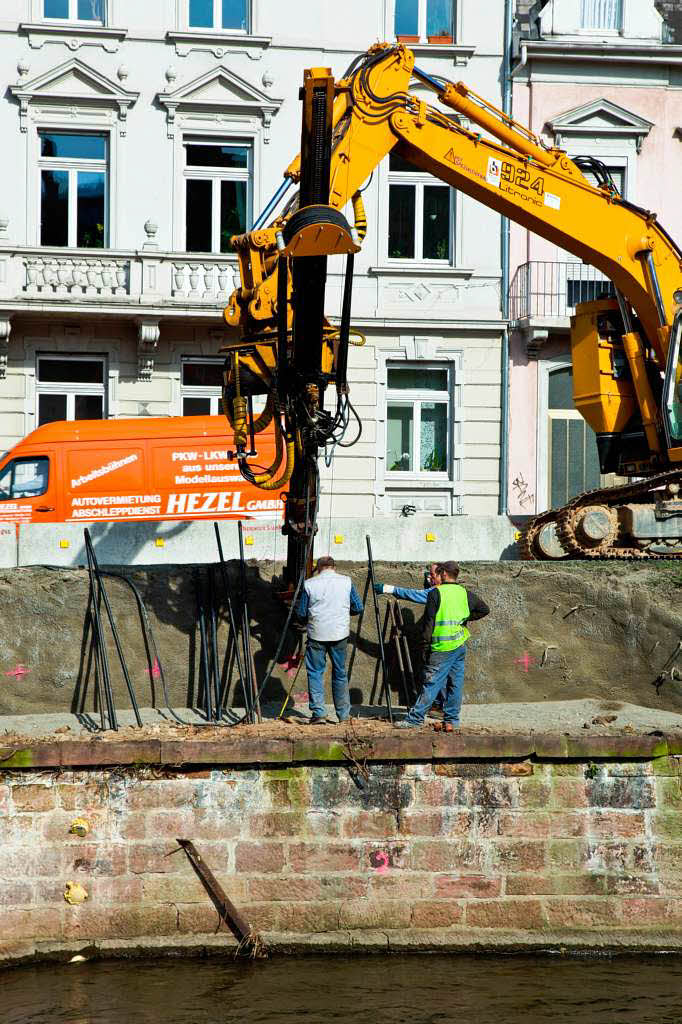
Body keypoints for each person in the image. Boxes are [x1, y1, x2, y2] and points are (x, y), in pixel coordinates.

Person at [395, 561, 489, 731]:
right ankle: (451, 721)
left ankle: (415, 719)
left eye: (438, 573)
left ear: (444, 574)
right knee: (455, 683)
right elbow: (484, 609)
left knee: (431, 682)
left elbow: (428, 624)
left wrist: (425, 647)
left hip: (441, 646)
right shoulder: (463, 592)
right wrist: (464, 619)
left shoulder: (436, 593)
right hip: (459, 644)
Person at [295, 555, 363, 724]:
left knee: (315, 672)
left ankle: (319, 713)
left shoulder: (309, 584)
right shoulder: (346, 582)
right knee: (340, 673)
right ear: (334, 567)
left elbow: (302, 613)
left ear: (318, 568)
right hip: (339, 634)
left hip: (317, 634)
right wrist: (342, 613)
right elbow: (358, 607)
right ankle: (344, 715)